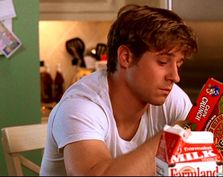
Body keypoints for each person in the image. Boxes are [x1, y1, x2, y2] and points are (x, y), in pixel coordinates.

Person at [40, 4, 198, 176]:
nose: (175, 77)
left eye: (179, 64)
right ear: (126, 57)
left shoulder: (170, 96)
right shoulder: (80, 106)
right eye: (162, 62)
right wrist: (174, 136)